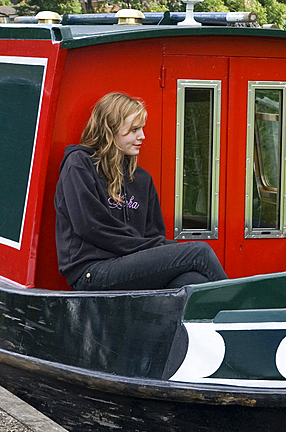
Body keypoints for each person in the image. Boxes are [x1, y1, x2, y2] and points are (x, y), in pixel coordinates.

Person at [55, 92, 228, 290]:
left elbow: (152, 234)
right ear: (110, 130)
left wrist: (157, 250)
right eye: (134, 129)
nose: (142, 136)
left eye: (142, 128)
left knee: (193, 281)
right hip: (91, 271)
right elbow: (90, 226)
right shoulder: (78, 165)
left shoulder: (141, 179)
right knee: (199, 252)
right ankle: (242, 312)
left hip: (131, 266)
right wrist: (159, 248)